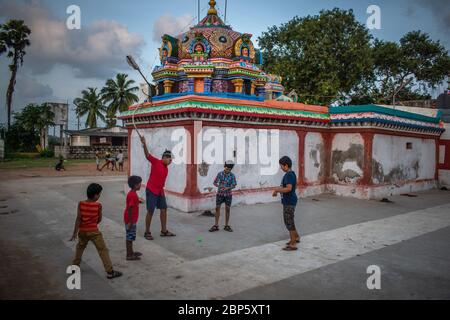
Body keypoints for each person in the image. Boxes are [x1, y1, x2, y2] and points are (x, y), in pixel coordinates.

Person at [69, 183, 122, 279]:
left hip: (82, 231)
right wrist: (93, 223)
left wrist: (74, 233)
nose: (100, 195)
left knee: (80, 248)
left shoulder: (81, 203)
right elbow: (99, 219)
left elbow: (78, 218)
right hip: (94, 231)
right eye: (100, 194)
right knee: (103, 250)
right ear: (96, 195)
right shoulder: (98, 205)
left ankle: (75, 267)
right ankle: (110, 271)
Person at [140, 136, 176, 240]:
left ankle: (164, 231)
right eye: (169, 159)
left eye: (171, 160)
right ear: (164, 158)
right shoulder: (156, 162)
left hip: (160, 191)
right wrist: (144, 143)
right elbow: (147, 155)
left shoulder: (166, 168)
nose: (170, 161)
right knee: (150, 211)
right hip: (151, 190)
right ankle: (147, 232)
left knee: (164, 209)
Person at [272, 156, 300, 251]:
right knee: (290, 220)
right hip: (290, 200)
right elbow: (290, 187)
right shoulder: (291, 174)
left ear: (286, 165)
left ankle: (293, 244)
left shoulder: (288, 175)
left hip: (289, 202)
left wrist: (277, 190)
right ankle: (296, 237)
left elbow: (289, 188)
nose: (281, 168)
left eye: (281, 166)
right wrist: (278, 190)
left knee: (288, 222)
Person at [209, 161, 237, 233]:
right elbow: (215, 182)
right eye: (226, 168)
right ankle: (216, 225)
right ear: (224, 167)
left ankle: (226, 225)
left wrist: (228, 188)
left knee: (227, 209)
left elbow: (234, 185)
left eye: (228, 169)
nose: (226, 169)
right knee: (217, 209)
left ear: (230, 169)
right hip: (220, 194)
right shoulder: (220, 174)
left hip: (228, 195)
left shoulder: (232, 176)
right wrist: (219, 186)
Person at [124, 176, 143, 261]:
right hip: (130, 220)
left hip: (131, 219)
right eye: (139, 184)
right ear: (135, 185)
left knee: (130, 237)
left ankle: (131, 252)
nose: (140, 185)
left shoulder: (133, 193)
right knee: (129, 237)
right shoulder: (132, 195)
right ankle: (129, 255)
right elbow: (130, 209)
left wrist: (138, 201)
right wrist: (130, 222)